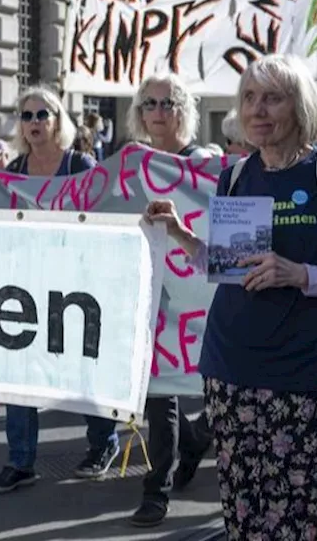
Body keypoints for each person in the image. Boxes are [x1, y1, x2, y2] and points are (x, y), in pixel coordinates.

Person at [145, 54, 317, 539]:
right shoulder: (235, 175)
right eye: (250, 98)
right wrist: (180, 234)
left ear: (299, 107)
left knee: (299, 512)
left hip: (308, 370)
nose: (258, 110)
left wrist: (300, 274)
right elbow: (234, 267)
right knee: (244, 510)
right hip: (232, 368)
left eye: (272, 98)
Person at [0, 86, 123, 495]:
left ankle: (103, 443)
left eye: (42, 114)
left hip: (78, 284)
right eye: (26, 116)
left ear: (57, 120)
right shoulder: (13, 169)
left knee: (81, 369)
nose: (34, 123)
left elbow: (106, 211)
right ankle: (20, 460)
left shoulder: (79, 164)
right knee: (20, 370)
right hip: (27, 286)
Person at [120, 73, 215, 527]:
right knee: (159, 393)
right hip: (150, 294)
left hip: (199, 293)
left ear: (184, 111)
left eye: (168, 103)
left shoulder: (206, 163)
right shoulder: (125, 165)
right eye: (149, 105)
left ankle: (198, 437)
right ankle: (156, 488)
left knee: (219, 387)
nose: (158, 112)